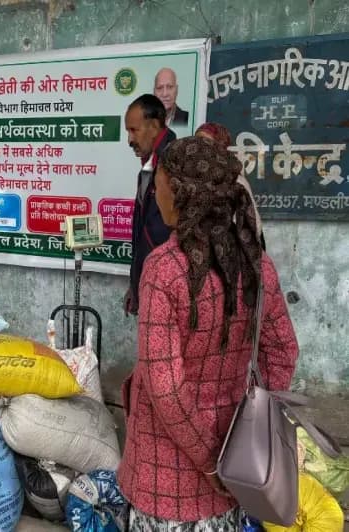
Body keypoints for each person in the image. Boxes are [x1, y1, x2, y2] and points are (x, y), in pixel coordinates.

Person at [118, 136, 299, 530]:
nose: (156, 192)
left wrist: (208, 461)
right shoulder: (256, 263)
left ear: (183, 192)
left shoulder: (165, 269)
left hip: (166, 471)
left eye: (160, 182)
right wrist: (249, 424)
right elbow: (283, 350)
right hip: (237, 461)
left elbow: (165, 388)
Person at [124, 94, 176, 315]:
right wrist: (135, 285)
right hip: (150, 285)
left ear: (154, 126)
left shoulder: (174, 163)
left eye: (134, 130)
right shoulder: (148, 167)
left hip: (167, 290)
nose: (129, 140)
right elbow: (142, 233)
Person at [195, 122, 264, 243]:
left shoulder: (236, 180)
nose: (200, 147)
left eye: (206, 142)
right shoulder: (188, 176)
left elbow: (253, 226)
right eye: (196, 141)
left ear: (220, 146)